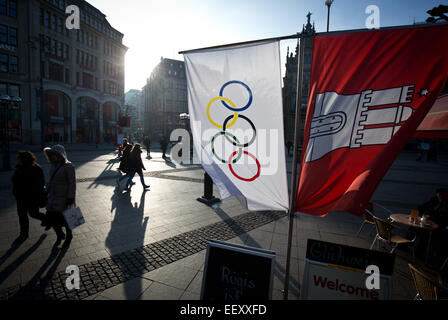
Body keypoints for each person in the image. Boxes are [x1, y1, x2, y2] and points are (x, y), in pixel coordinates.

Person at [11, 151, 49, 244]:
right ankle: (23, 234)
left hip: (32, 198)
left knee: (33, 213)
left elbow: (41, 183)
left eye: (19, 158)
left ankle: (46, 219)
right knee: (22, 216)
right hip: (20, 198)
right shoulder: (19, 168)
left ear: (24, 159)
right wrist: (15, 192)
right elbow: (15, 182)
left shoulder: (37, 169)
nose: (18, 160)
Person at [44, 145, 76, 248]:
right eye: (51, 155)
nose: (52, 157)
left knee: (66, 219)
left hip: (64, 197)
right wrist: (46, 191)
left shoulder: (68, 166)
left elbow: (72, 183)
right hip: (53, 196)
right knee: (52, 219)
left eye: (54, 155)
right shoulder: (53, 165)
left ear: (59, 155)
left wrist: (70, 198)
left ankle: (69, 235)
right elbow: (51, 180)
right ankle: (60, 235)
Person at [417, 188, 448, 265]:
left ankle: (432, 257)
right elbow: (422, 208)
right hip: (428, 222)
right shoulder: (434, 200)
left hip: (440, 226)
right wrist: (429, 211)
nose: (440, 196)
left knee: (433, 236)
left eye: (442, 194)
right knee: (416, 228)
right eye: (439, 194)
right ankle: (414, 249)